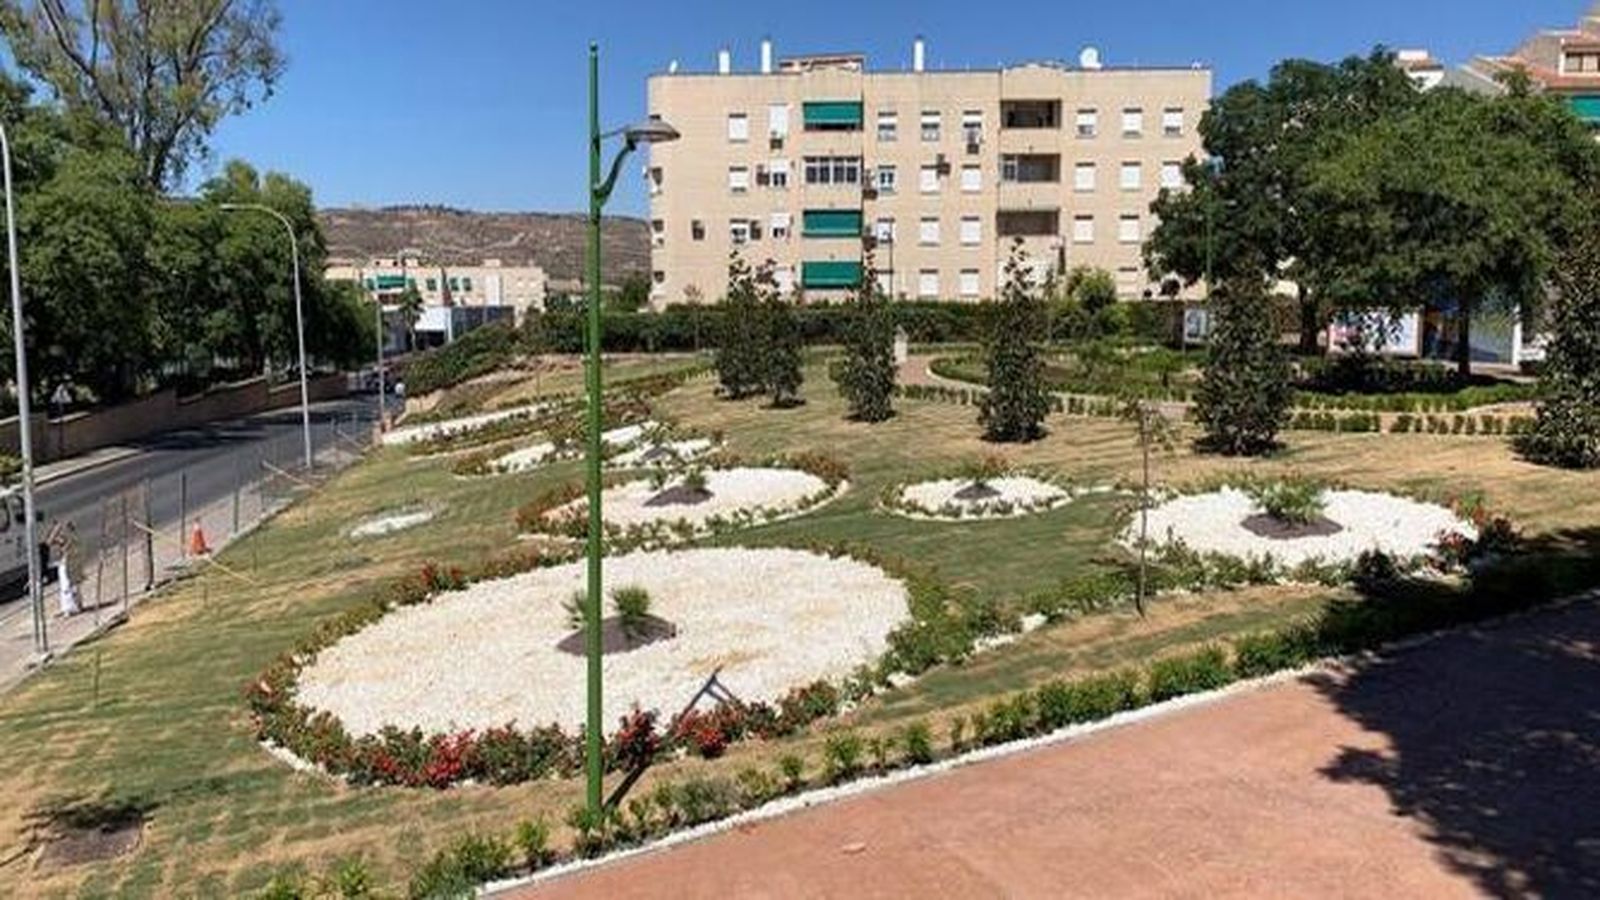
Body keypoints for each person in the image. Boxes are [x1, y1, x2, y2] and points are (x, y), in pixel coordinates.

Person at [46, 519, 80, 616]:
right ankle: (73, 606)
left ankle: (71, 608)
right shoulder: (70, 537)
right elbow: (49, 542)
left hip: (67, 563)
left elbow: (50, 542)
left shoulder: (68, 538)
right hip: (68, 562)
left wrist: (56, 529)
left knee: (67, 586)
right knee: (69, 585)